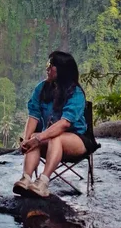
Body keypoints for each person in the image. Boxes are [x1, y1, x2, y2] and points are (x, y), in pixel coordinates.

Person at [13, 50, 97, 198]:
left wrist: (39, 138)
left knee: (53, 137)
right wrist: (27, 139)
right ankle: (26, 179)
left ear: (62, 70)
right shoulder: (42, 88)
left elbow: (64, 124)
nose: (47, 68)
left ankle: (43, 182)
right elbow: (34, 115)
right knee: (34, 136)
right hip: (50, 140)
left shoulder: (75, 93)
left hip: (77, 140)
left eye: (51, 65)